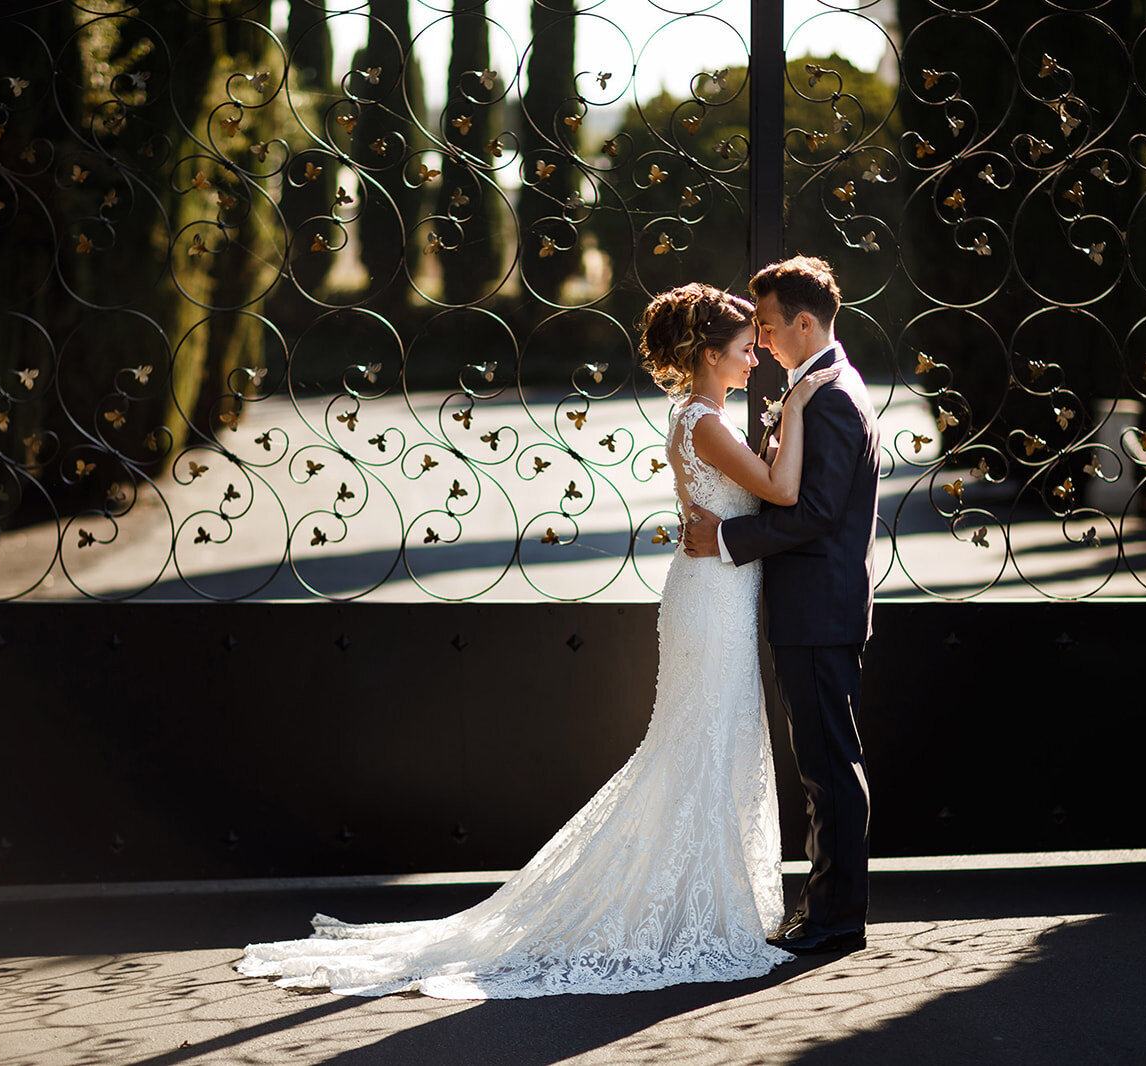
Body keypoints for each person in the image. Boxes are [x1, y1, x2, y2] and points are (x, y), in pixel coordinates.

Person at [235, 283, 838, 999]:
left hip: (716, 593)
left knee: (713, 740)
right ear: (710, 355)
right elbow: (780, 489)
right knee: (699, 740)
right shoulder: (705, 422)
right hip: (709, 602)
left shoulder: (705, 415)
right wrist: (797, 408)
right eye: (744, 351)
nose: (754, 362)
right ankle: (684, 910)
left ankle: (696, 904)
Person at [682, 255, 881, 957]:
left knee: (830, 767)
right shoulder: (819, 387)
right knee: (821, 766)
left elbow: (818, 511)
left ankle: (836, 919)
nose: (760, 342)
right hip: (813, 608)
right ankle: (822, 906)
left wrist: (728, 537)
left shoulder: (828, 397)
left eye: (766, 327)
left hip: (820, 610)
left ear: (804, 322)